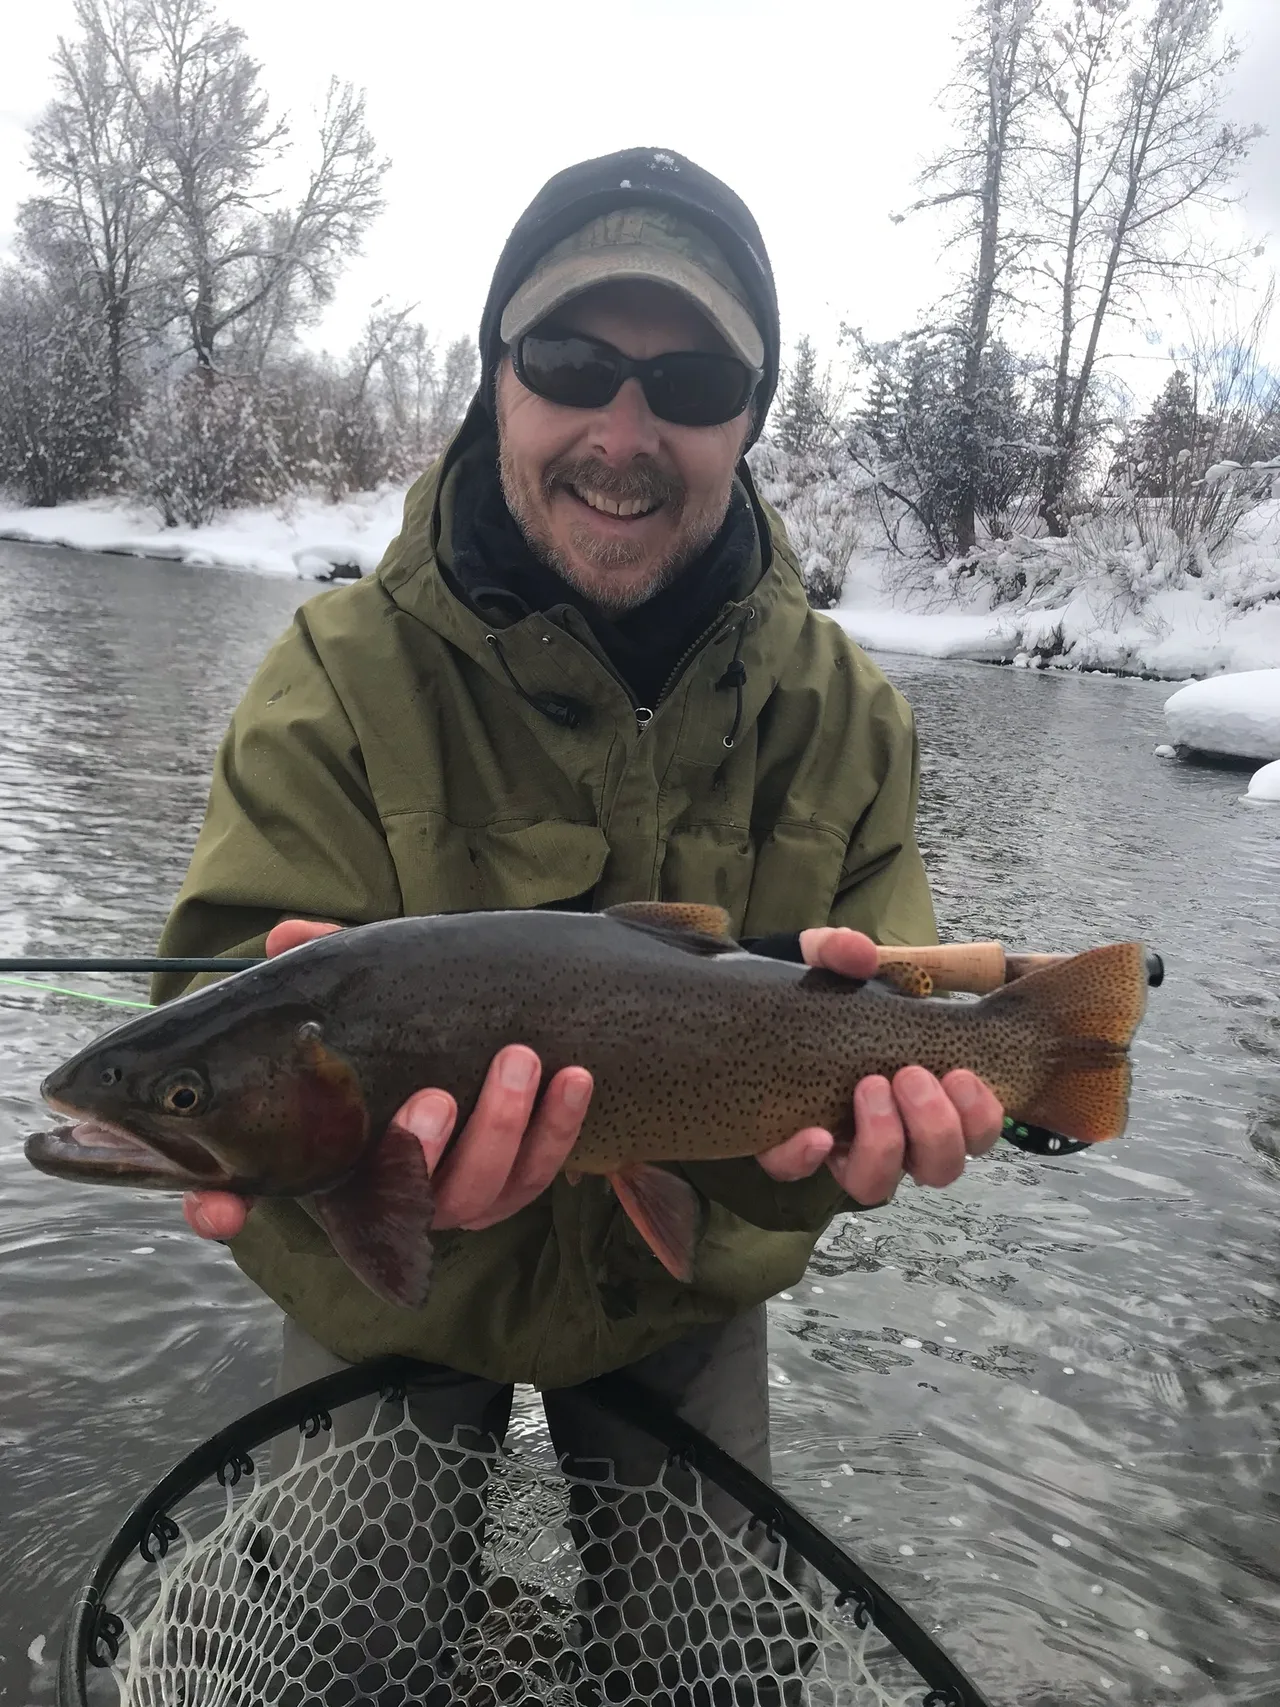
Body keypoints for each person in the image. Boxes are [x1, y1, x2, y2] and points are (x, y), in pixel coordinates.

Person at [153, 147, 1003, 1696]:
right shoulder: (334, 674)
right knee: (341, 1657)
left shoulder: (847, 714)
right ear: (497, 379)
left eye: (686, 380)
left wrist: (878, 1139)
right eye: (570, 363)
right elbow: (220, 1001)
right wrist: (331, 1154)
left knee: (712, 1672)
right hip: (379, 1279)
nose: (625, 431)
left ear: (749, 415)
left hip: (689, 1273)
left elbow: (872, 1033)